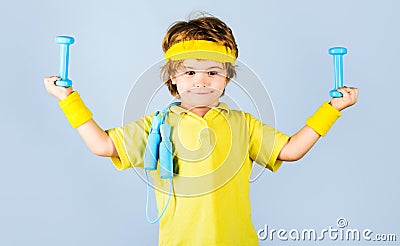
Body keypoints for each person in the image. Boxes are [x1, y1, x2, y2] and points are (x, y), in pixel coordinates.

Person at [44, 15, 358, 246]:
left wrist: (331, 110)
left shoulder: (242, 123)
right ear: (173, 79)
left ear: (227, 78)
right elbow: (103, 145)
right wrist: (69, 100)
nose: (201, 80)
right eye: (190, 71)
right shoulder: (157, 125)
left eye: (212, 72)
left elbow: (290, 150)